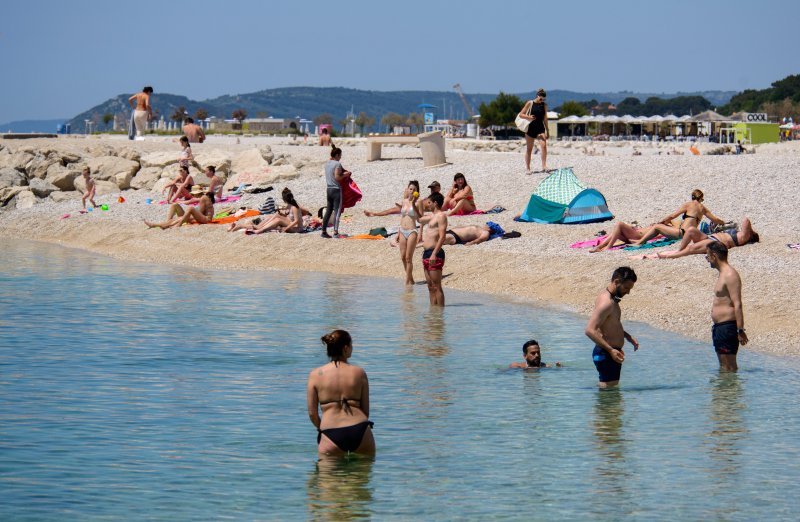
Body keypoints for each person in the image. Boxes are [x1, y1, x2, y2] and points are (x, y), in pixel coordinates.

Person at [307, 329, 375, 457]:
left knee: (328, 477)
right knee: (361, 475)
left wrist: (323, 428)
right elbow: (365, 411)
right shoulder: (359, 373)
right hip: (360, 430)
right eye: (351, 345)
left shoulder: (315, 375)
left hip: (330, 432)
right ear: (345, 348)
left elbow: (312, 414)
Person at [590, 189, 726, 252]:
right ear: (701, 198)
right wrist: (724, 223)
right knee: (618, 231)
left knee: (655, 227)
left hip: (681, 233)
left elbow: (672, 217)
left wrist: (661, 221)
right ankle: (601, 247)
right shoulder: (702, 208)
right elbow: (715, 219)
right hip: (684, 232)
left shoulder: (688, 205)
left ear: (692, 197)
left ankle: (637, 243)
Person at [585, 267, 639, 388]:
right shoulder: (607, 303)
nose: (628, 292)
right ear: (616, 281)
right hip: (606, 353)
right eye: (626, 288)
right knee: (609, 393)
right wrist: (611, 350)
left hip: (608, 353)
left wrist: (627, 336)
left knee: (610, 394)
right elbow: (589, 330)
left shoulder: (609, 299)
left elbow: (609, 324)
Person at [706, 242, 748, 371]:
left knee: (729, 367)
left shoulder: (730, 275)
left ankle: (731, 391)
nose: (707, 259)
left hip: (727, 327)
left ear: (714, 255)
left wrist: (740, 330)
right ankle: (725, 391)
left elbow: (737, 303)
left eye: (707, 256)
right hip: (720, 328)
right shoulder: (723, 274)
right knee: (724, 367)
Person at [643, 218, 760, 260]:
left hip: (715, 242)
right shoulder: (740, 234)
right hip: (709, 237)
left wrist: (751, 233)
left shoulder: (743, 237)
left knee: (692, 248)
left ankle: (670, 256)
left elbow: (746, 220)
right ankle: (680, 250)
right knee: (691, 230)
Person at [419, 192, 447, 306]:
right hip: (426, 253)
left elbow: (442, 236)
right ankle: (433, 314)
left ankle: (440, 315)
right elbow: (419, 220)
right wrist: (416, 202)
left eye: (429, 203)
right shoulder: (431, 216)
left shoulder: (441, 216)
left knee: (437, 286)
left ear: (435, 203)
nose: (428, 205)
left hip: (435, 253)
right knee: (430, 287)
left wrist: (434, 254)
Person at [396, 181, 424, 285]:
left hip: (412, 230)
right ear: (407, 189)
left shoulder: (419, 202)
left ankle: (407, 282)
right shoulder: (404, 201)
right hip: (402, 230)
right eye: (410, 189)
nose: (412, 191)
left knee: (408, 257)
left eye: (414, 190)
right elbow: (402, 217)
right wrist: (398, 233)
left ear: (417, 192)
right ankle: (411, 279)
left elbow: (421, 218)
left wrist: (421, 234)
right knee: (403, 257)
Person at [321, 143, 350, 238]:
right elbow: (338, 177)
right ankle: (335, 232)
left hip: (328, 189)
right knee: (337, 211)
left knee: (329, 210)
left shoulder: (327, 163)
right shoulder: (337, 164)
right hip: (336, 190)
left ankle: (324, 231)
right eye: (340, 156)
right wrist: (347, 174)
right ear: (337, 155)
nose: (340, 158)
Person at [518, 88, 549, 173]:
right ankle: (528, 168)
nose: (542, 100)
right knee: (529, 149)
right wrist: (529, 117)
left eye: (543, 99)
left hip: (540, 128)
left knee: (543, 145)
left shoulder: (544, 105)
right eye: (541, 98)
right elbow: (521, 114)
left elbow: (545, 119)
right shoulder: (530, 103)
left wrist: (547, 130)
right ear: (537, 96)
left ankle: (544, 166)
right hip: (530, 128)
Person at [144, 192, 215, 229]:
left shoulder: (204, 199)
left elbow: (200, 213)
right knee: (175, 205)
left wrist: (189, 217)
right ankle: (166, 223)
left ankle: (176, 224)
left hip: (205, 219)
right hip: (197, 217)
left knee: (190, 209)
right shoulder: (205, 200)